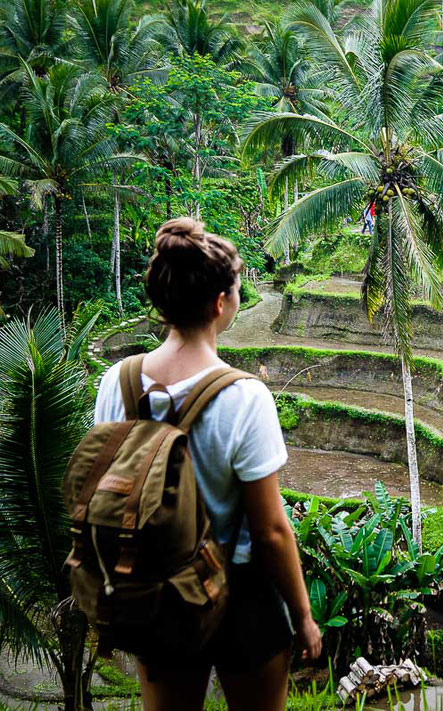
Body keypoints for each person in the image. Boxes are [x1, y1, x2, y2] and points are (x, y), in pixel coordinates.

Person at [94, 217, 322, 711]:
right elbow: (271, 531)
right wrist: (303, 616)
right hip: (242, 596)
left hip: (156, 587)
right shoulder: (245, 397)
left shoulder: (117, 381)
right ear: (222, 303)